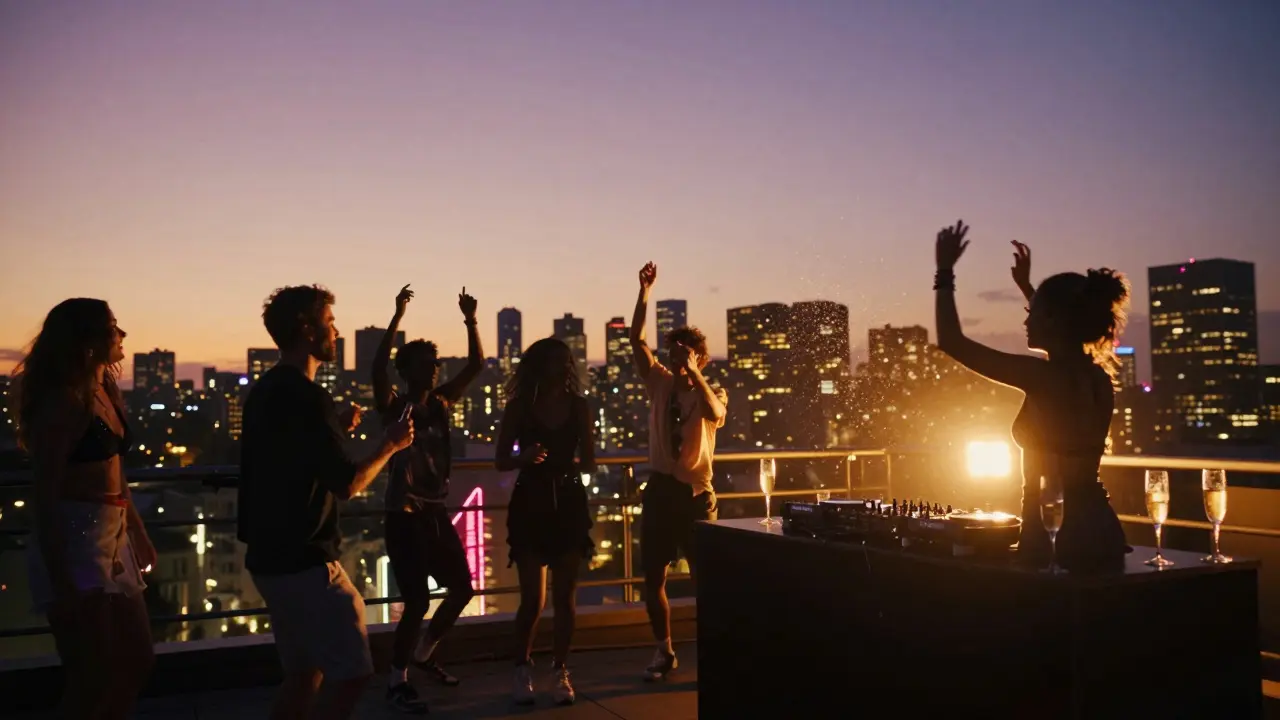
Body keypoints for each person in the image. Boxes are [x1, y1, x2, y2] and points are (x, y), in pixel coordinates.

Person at [238, 285, 414, 720]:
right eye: (330, 322)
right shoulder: (308, 396)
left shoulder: (266, 391)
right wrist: (390, 444)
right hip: (306, 559)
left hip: (268, 557)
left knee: (304, 674)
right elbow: (347, 483)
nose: (336, 332)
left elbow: (288, 453)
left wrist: (332, 426)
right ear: (307, 329)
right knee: (352, 673)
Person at [934, 221, 1130, 573]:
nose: (1026, 322)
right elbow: (1067, 325)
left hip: (1057, 537)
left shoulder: (1044, 378)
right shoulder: (1095, 377)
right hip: (1100, 531)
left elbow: (952, 341)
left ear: (1052, 320)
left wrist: (944, 271)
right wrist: (1029, 290)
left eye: (1032, 313)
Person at [15, 298, 157, 719]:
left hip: (113, 533)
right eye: (113, 327)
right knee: (92, 674)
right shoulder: (63, 402)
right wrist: (60, 575)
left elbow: (115, 472)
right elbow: (46, 491)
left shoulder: (105, 391)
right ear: (88, 341)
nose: (122, 335)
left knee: (137, 659)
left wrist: (138, 534)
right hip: (76, 536)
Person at [371, 284, 484, 713]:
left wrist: (470, 320)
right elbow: (377, 369)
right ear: (407, 371)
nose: (434, 370)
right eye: (425, 364)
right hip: (403, 514)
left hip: (435, 512)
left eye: (435, 364)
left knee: (462, 589)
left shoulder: (439, 404)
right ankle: (397, 678)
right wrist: (396, 317)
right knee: (417, 599)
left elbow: (476, 365)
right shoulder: (395, 406)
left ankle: (423, 653)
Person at [628, 262, 728, 681]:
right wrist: (644, 292)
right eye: (675, 351)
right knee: (653, 577)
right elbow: (636, 341)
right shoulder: (660, 382)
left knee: (707, 578)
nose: (678, 357)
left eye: (687, 351)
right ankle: (664, 650)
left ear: (702, 357)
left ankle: (716, 651)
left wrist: (696, 373)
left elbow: (715, 412)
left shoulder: (713, 390)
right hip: (660, 491)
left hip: (695, 495)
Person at [495, 337, 595, 706]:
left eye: (566, 361)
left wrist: (567, 465)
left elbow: (590, 460)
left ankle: (559, 669)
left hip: (568, 503)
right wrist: (525, 458)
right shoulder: (520, 407)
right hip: (531, 503)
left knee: (565, 597)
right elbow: (500, 460)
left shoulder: (579, 406)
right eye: (556, 361)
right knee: (532, 600)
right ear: (540, 365)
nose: (563, 367)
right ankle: (522, 667)